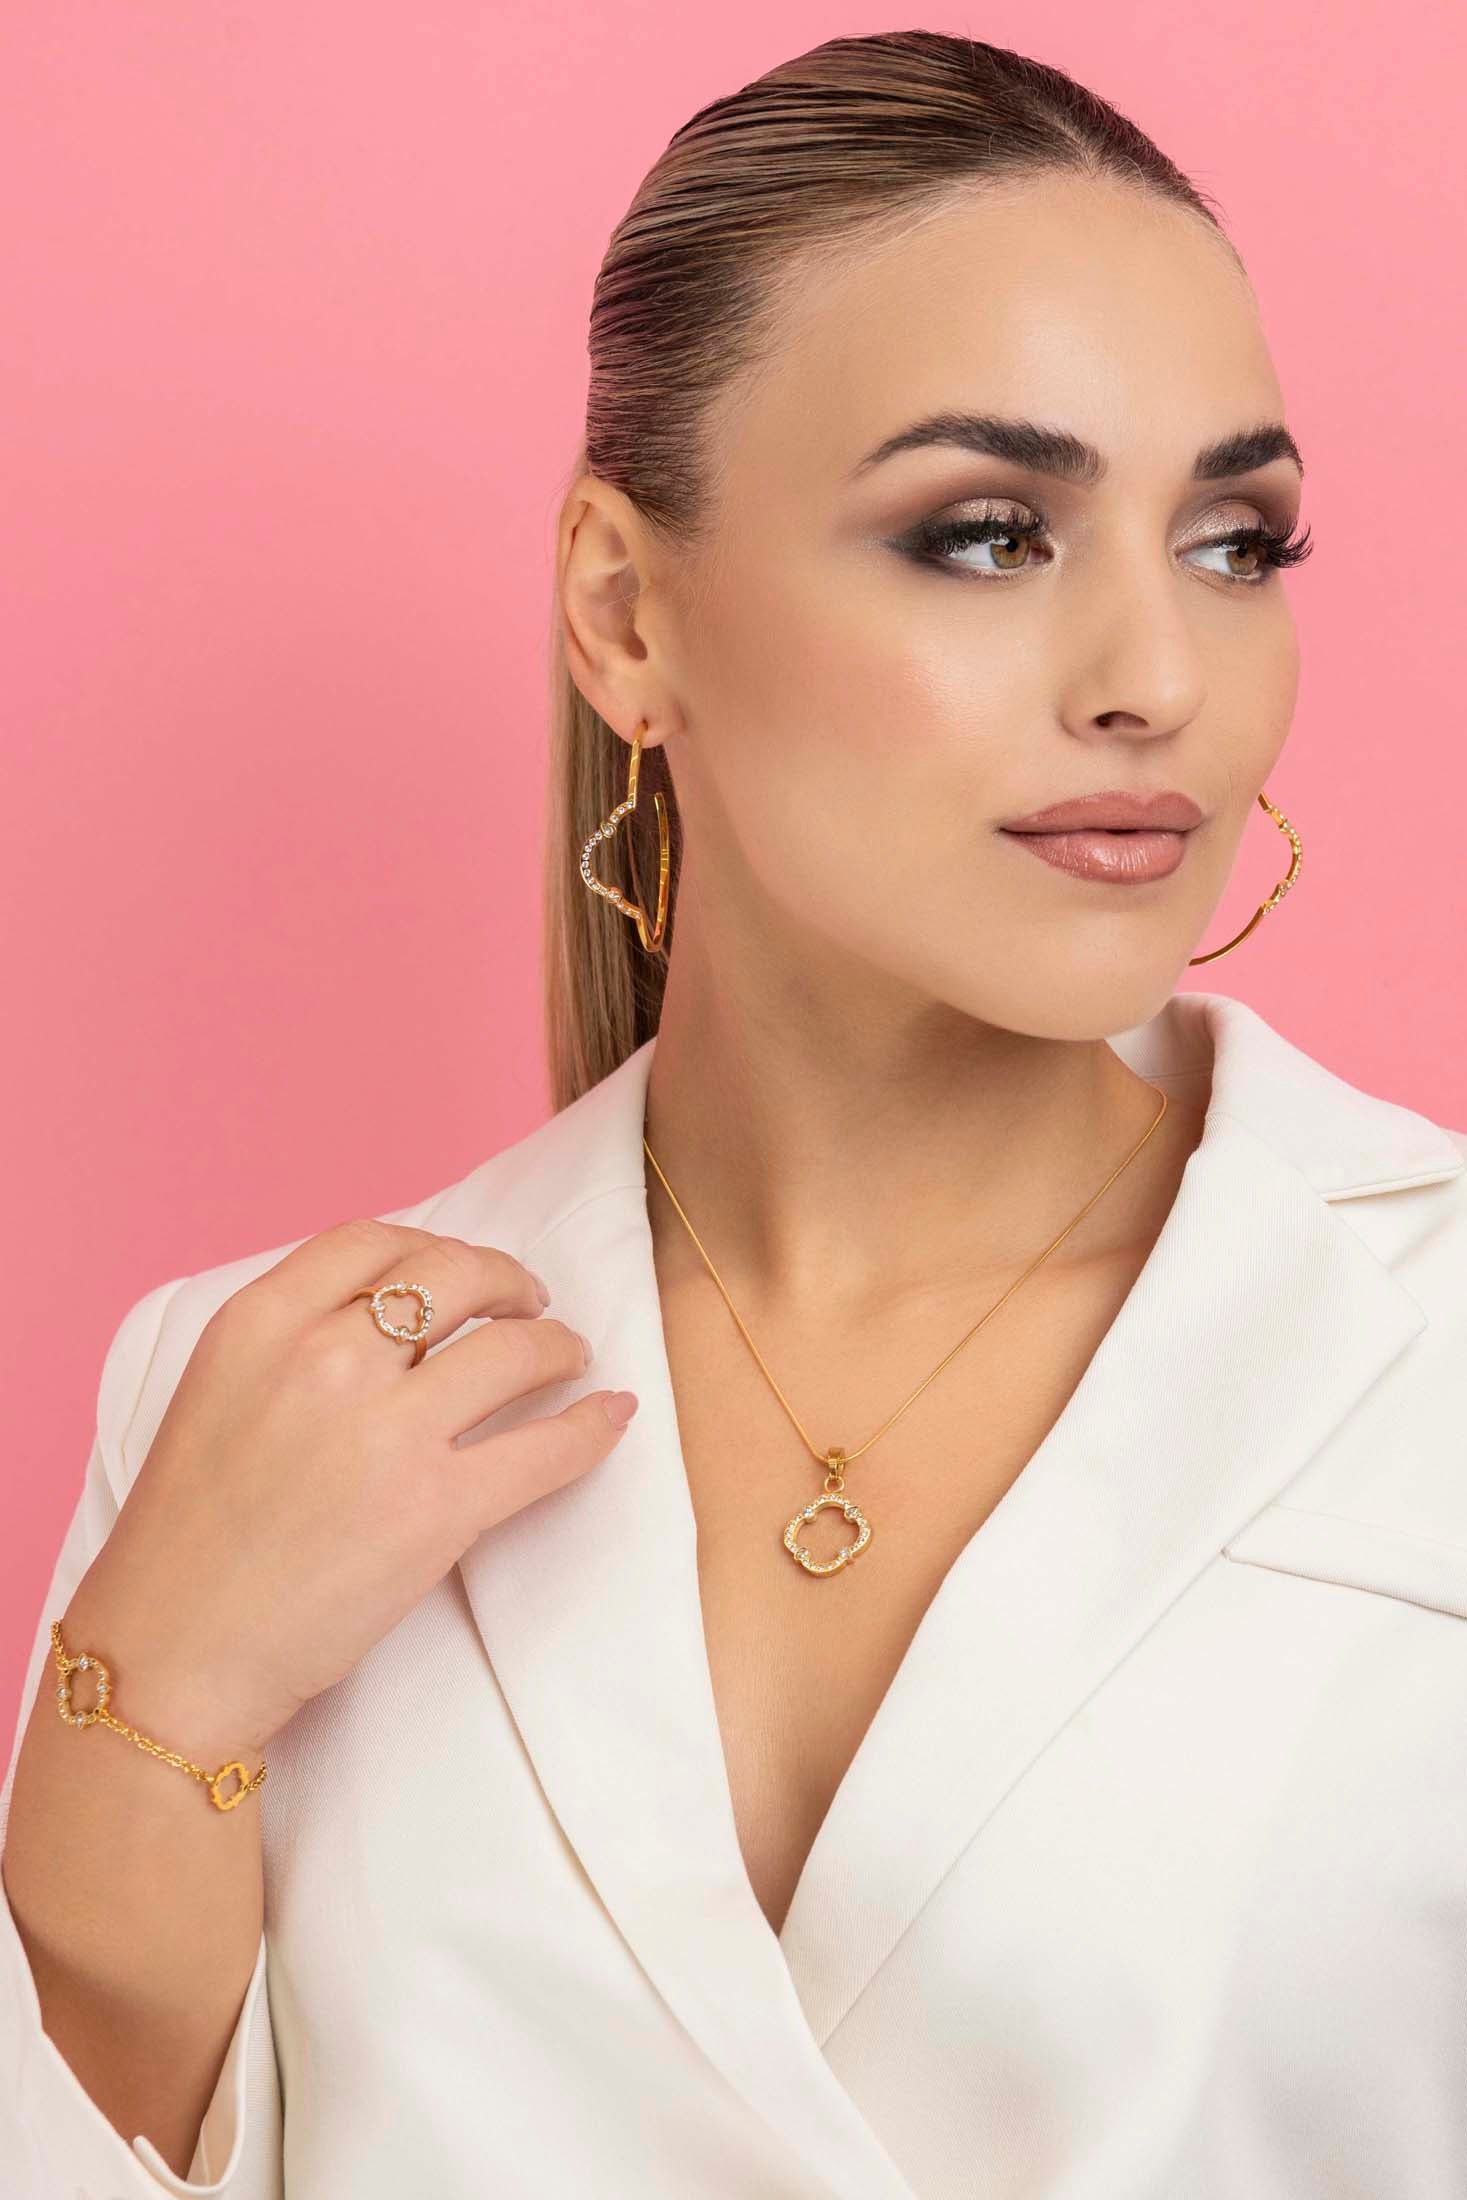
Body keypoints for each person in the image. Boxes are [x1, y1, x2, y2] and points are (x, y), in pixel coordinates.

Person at [3, 28, 1465, 2200]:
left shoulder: (1430, 1344)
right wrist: (150, 1709)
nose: (1158, 674)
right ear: (626, 611)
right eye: (988, 533)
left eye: (1234, 541)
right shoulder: (247, 1390)